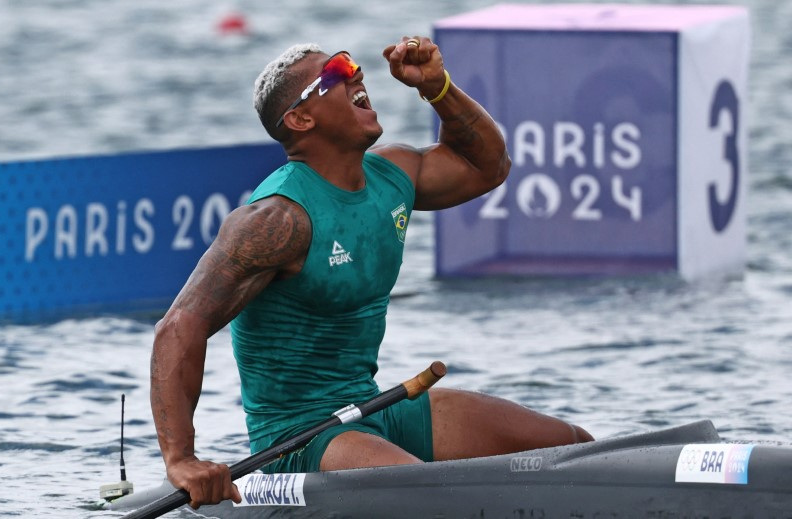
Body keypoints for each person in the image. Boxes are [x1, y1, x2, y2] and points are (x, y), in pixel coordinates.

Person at [150, 35, 594, 508]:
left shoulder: (392, 176)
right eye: (336, 73)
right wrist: (182, 459)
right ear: (301, 119)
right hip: (302, 440)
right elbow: (180, 326)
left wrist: (438, 88)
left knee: (576, 449)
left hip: (374, 409)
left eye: (351, 64)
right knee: (438, 500)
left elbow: (487, 165)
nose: (356, 74)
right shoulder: (276, 220)